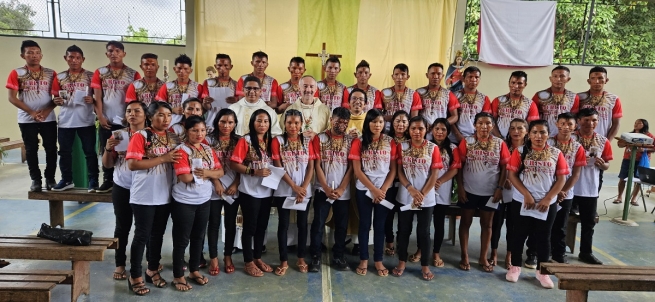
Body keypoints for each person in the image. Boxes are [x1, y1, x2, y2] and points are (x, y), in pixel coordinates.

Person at [505, 120, 568, 289]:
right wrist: (526, 194)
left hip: (546, 203)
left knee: (544, 237)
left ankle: (543, 272)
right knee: (518, 234)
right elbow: (511, 176)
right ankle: (515, 266)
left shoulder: (556, 153)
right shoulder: (520, 152)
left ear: (548, 135)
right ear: (529, 134)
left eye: (542, 133)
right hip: (522, 201)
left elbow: (561, 179)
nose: (538, 136)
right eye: (534, 132)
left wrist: (548, 199)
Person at [125, 102, 179, 295]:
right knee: (141, 235)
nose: (165, 120)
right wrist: (162, 159)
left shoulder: (173, 137)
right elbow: (132, 164)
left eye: (169, 115)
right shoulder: (141, 136)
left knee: (158, 235)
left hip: (164, 195)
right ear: (150, 117)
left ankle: (152, 269)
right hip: (144, 195)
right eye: (160, 115)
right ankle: (135, 275)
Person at [171, 116, 224, 291]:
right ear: (187, 131)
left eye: (202, 130)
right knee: (181, 239)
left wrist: (206, 173)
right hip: (184, 201)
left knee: (198, 237)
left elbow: (221, 171)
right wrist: (210, 174)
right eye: (194, 130)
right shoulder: (181, 150)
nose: (199, 134)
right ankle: (178, 275)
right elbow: (185, 177)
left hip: (204, 199)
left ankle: (194, 270)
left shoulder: (208, 149)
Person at [457, 112, 511, 272]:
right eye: (480, 123)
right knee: (465, 223)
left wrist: (500, 188)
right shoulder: (467, 142)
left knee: (487, 225)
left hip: (490, 193)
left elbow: (504, 168)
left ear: (493, 126)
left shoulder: (499, 143)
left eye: (488, 123)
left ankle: (483, 257)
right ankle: (464, 255)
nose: (484, 126)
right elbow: (459, 166)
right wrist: (460, 187)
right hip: (469, 191)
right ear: (475, 125)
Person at [406, 118, 461, 267]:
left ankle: (436, 252)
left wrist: (440, 181)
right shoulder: (425, 145)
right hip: (424, 189)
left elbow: (455, 168)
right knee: (423, 224)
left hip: (441, 189)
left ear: (448, 132)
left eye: (443, 129)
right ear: (432, 130)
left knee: (438, 222)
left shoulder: (453, 148)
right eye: (437, 129)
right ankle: (420, 250)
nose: (439, 132)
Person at [102, 101, 148, 281]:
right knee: (122, 226)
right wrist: (108, 148)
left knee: (146, 227)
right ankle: (120, 263)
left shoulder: (151, 135)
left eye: (137, 111)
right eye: (129, 111)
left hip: (145, 187)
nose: (132, 114)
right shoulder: (118, 135)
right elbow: (107, 164)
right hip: (123, 185)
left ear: (146, 115)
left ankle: (152, 261)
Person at [349, 109, 398, 277]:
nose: (377, 125)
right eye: (373, 121)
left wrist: (383, 190)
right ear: (367, 123)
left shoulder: (390, 142)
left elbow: (393, 170)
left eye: (380, 122)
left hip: (385, 191)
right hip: (365, 190)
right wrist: (373, 189)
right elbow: (357, 170)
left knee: (380, 225)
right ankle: (363, 259)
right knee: (364, 225)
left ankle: (378, 260)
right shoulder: (359, 142)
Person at [394, 116, 442, 281]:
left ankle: (425, 265)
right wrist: (411, 189)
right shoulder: (402, 146)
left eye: (420, 129)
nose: (416, 132)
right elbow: (399, 171)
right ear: (409, 130)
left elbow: (434, 174)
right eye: (413, 128)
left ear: (426, 129)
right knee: (403, 230)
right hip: (406, 196)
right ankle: (401, 262)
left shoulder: (433, 148)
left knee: (424, 232)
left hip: (426, 199)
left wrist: (421, 194)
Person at [6, 40, 58, 192]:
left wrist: (47, 111)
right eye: (30, 52)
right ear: (23, 55)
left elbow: (57, 97)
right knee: (31, 149)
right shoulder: (17, 73)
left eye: (37, 52)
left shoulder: (51, 73)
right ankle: (36, 180)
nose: (34, 56)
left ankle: (50, 178)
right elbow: (12, 97)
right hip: (26, 119)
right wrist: (31, 112)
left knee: (51, 148)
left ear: (41, 55)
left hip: (48, 118)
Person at [230, 109, 275, 277]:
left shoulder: (271, 141)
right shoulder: (246, 140)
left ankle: (257, 257)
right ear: (252, 123)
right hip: (249, 191)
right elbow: (234, 164)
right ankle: (248, 261)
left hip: (266, 191)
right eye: (259, 121)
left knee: (262, 227)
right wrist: (253, 171)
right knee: (250, 227)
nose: (262, 124)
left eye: (265, 121)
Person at [309, 107, 354, 272]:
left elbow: (351, 167)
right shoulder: (319, 139)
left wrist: (342, 188)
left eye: (344, 123)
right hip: (323, 189)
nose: (341, 125)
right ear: (331, 120)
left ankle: (339, 256)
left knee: (342, 225)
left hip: (343, 192)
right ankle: (315, 256)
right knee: (318, 223)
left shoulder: (351, 140)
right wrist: (326, 188)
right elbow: (317, 165)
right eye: (338, 121)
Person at [93, 41, 141, 193]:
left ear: (124, 54)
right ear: (106, 54)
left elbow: (135, 99)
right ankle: (108, 179)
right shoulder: (100, 72)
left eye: (118, 51)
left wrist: (130, 117)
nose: (114, 53)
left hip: (125, 120)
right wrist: (100, 116)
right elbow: (98, 97)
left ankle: (126, 178)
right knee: (106, 148)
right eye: (111, 51)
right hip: (107, 120)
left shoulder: (133, 74)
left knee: (125, 150)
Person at [272, 110, 316, 276]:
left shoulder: (307, 140)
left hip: (304, 191)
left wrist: (303, 188)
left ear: (301, 124)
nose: (293, 126)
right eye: (289, 122)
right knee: (283, 225)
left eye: (296, 123)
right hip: (284, 190)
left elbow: (311, 166)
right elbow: (278, 166)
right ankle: (283, 260)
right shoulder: (278, 140)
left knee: (302, 225)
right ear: (284, 123)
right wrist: (294, 187)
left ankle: (301, 258)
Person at [50, 45, 98, 192]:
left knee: (90, 152)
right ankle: (66, 179)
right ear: (66, 58)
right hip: (65, 121)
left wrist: (93, 99)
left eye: (78, 57)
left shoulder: (91, 76)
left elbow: (98, 97)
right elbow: (54, 97)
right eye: (71, 57)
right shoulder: (59, 76)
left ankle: (93, 181)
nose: (74, 60)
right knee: (64, 152)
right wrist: (56, 101)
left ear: (83, 59)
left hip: (86, 120)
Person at [573, 108, 613, 265]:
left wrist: (602, 165)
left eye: (594, 120)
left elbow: (608, 164)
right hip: (569, 187)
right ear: (579, 121)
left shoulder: (603, 141)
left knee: (588, 222)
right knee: (559, 221)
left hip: (589, 187)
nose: (590, 123)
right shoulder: (570, 138)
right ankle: (557, 251)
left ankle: (585, 252)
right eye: (586, 120)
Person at [206, 109, 241, 275]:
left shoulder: (240, 141)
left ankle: (228, 256)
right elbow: (205, 165)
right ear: (216, 122)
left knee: (230, 224)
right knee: (213, 224)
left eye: (230, 122)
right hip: (213, 189)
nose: (226, 125)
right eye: (222, 122)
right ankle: (213, 257)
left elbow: (243, 165)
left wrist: (235, 183)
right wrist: (216, 182)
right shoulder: (208, 140)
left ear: (235, 124)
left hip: (232, 189)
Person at [489, 118, 527, 269]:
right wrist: (503, 180)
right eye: (512, 128)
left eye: (520, 128)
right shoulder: (501, 145)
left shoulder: (529, 149)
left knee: (513, 225)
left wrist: (514, 180)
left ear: (527, 132)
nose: (516, 132)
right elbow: (495, 165)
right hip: (500, 189)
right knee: (496, 222)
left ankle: (509, 254)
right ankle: (493, 252)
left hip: (518, 193)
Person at [549, 113, 586, 264]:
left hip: (565, 193)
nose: (565, 127)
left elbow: (576, 174)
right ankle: (540, 251)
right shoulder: (548, 143)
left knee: (561, 225)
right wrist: (554, 191)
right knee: (544, 223)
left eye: (569, 124)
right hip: (547, 191)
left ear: (575, 126)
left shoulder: (578, 147)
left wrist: (562, 191)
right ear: (557, 124)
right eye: (562, 123)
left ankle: (559, 253)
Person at [383, 110, 409, 258]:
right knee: (389, 214)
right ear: (392, 123)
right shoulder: (387, 139)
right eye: (398, 121)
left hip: (406, 184)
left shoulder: (413, 140)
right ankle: (390, 242)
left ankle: (401, 242)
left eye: (404, 121)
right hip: (390, 183)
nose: (401, 124)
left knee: (403, 215)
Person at [578, 66, 622, 143]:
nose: (597, 81)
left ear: (606, 80)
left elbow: (616, 123)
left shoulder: (613, 99)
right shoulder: (579, 97)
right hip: (579, 140)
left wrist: (607, 142)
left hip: (601, 141)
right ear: (589, 81)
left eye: (600, 78)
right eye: (593, 78)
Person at [156, 54, 202, 126]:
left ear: (191, 70)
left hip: (193, 123)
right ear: (174, 69)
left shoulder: (197, 87)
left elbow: (202, 107)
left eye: (186, 69)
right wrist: (172, 109)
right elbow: (159, 105)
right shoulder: (167, 86)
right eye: (179, 68)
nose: (182, 71)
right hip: (171, 122)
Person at [532, 65, 579, 136]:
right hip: (544, 135)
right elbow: (533, 117)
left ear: (568, 79)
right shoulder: (539, 95)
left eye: (562, 76)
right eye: (555, 76)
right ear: (550, 78)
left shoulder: (573, 97)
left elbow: (574, 118)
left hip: (563, 135)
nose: (558, 79)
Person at [616, 119, 653, 206]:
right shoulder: (629, 135)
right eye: (635, 122)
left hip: (641, 161)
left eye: (639, 123)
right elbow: (619, 144)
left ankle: (634, 198)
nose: (636, 124)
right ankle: (619, 197)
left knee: (638, 180)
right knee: (622, 178)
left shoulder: (649, 136)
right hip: (628, 159)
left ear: (644, 125)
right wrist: (624, 143)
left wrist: (645, 149)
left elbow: (653, 147)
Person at [491, 71, 539, 139]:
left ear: (525, 84)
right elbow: (491, 121)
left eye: (520, 83)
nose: (516, 86)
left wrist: (521, 141)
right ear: (509, 83)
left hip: (520, 142)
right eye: (513, 83)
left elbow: (532, 126)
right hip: (498, 140)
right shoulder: (498, 100)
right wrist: (499, 138)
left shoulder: (530, 104)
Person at [450, 66, 492, 144]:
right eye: (470, 77)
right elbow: (449, 117)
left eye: (476, 77)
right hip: (455, 139)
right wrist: (457, 135)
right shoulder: (454, 96)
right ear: (463, 78)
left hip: (476, 139)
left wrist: (478, 136)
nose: (473, 80)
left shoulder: (484, 98)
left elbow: (485, 121)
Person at [201, 53, 238, 131]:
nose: (222, 68)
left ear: (231, 66)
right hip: (212, 120)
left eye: (225, 65)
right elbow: (206, 107)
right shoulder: (208, 83)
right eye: (219, 65)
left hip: (229, 122)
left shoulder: (236, 84)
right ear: (215, 66)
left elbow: (240, 105)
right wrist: (206, 102)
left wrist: (236, 101)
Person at [380, 64, 422, 131]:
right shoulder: (384, 92)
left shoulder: (414, 94)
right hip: (387, 128)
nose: (399, 77)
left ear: (407, 77)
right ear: (392, 76)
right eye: (396, 74)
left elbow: (414, 118)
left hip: (404, 128)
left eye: (403, 74)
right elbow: (378, 114)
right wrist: (385, 117)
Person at [416, 63, 459, 127]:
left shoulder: (448, 94)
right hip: (422, 131)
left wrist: (443, 124)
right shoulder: (418, 92)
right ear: (427, 75)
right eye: (432, 73)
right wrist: (421, 123)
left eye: (439, 74)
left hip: (440, 133)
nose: (435, 76)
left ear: (442, 76)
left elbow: (455, 116)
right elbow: (414, 114)